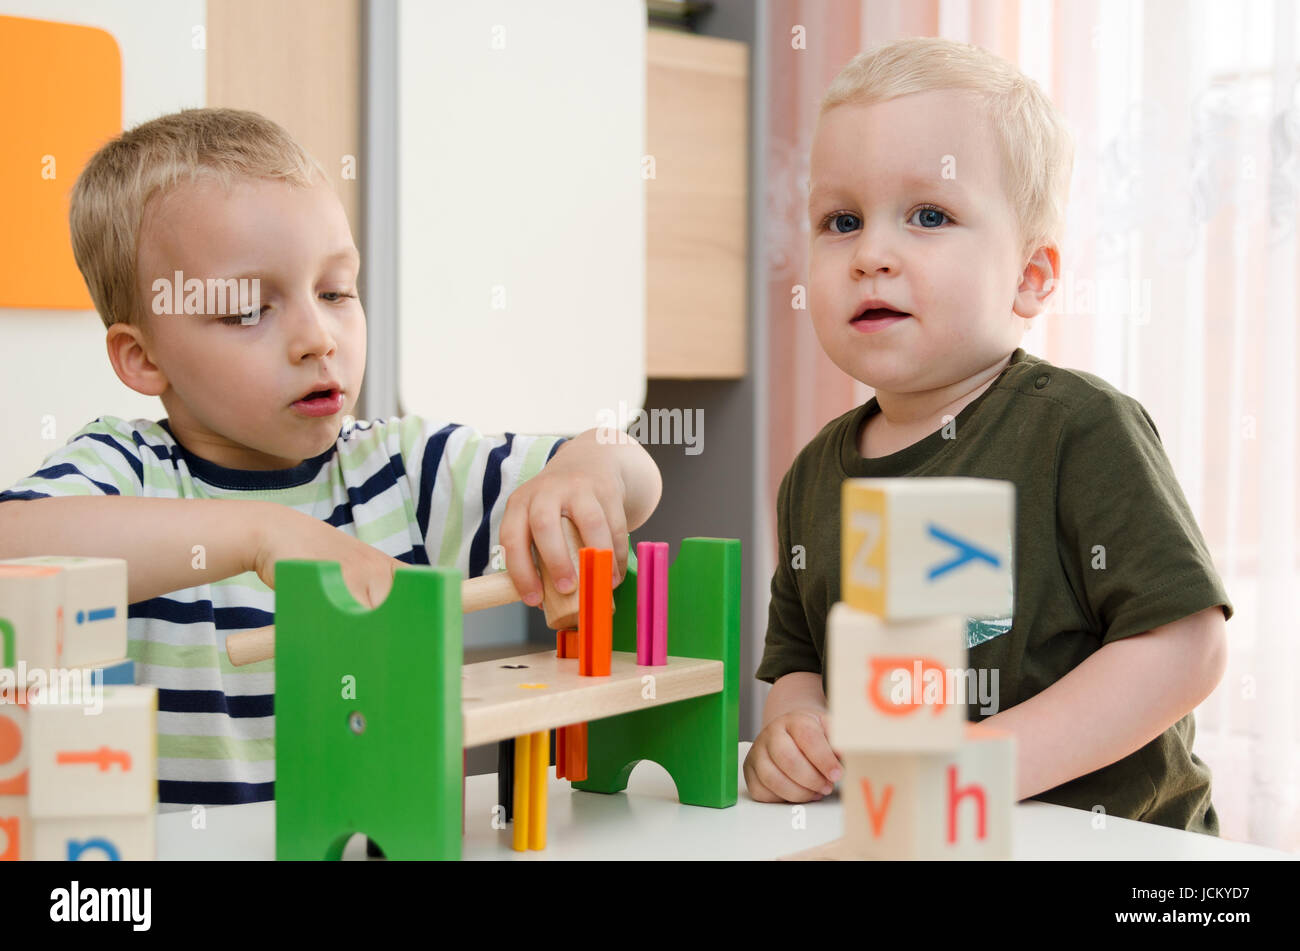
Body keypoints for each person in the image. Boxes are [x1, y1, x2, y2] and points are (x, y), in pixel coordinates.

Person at [744, 38, 1232, 834]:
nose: (871, 254)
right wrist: (793, 730)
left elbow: (1186, 648)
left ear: (1031, 276)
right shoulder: (812, 476)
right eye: (841, 220)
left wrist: (978, 767)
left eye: (929, 215)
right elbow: (801, 659)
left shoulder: (1080, 429)